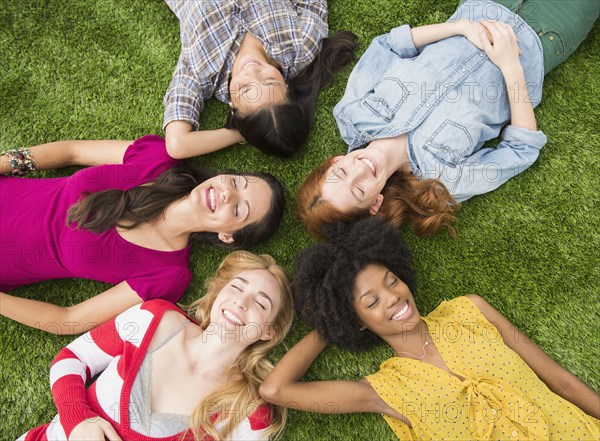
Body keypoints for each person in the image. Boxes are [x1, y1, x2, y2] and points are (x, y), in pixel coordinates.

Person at [260, 218, 600, 439]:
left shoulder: (471, 309)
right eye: (371, 302)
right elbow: (275, 390)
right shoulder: (384, 391)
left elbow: (562, 381)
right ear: (357, 322)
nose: (392, 298)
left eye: (391, 281)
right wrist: (330, 322)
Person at [297, 0, 599, 239]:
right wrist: (510, 65)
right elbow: (521, 151)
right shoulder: (441, 181)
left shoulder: (353, 113)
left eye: (340, 174)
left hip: (482, 7)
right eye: (359, 191)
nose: (359, 172)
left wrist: (462, 27)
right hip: (542, 38)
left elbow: (388, 46)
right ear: (375, 205)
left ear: (333, 161)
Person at [0, 135, 284, 334]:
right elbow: (72, 151)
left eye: (238, 209)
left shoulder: (168, 274)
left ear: (227, 235)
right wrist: (3, 163)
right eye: (236, 182)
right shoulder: (158, 159)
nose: (227, 194)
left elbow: (69, 319)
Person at [17, 251, 294, 441]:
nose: (241, 302)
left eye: (260, 303)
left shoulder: (249, 412)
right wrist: (77, 419)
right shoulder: (156, 317)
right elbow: (72, 358)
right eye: (236, 287)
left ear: (269, 331)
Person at [162, 0, 357, 158]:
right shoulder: (301, 46)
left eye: (245, 89)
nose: (253, 72)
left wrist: (244, 131)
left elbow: (177, 144)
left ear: (233, 108)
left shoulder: (201, 71)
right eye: (269, 82)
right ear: (287, 88)